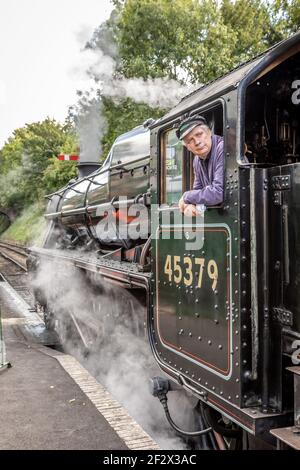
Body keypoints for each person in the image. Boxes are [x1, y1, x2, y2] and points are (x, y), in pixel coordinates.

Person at [176, 115, 224, 216]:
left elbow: (218, 193)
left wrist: (186, 197)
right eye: (190, 140)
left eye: (199, 134)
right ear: (188, 147)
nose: (197, 142)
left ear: (209, 133)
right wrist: (190, 205)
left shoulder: (223, 148)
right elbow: (198, 189)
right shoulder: (197, 161)